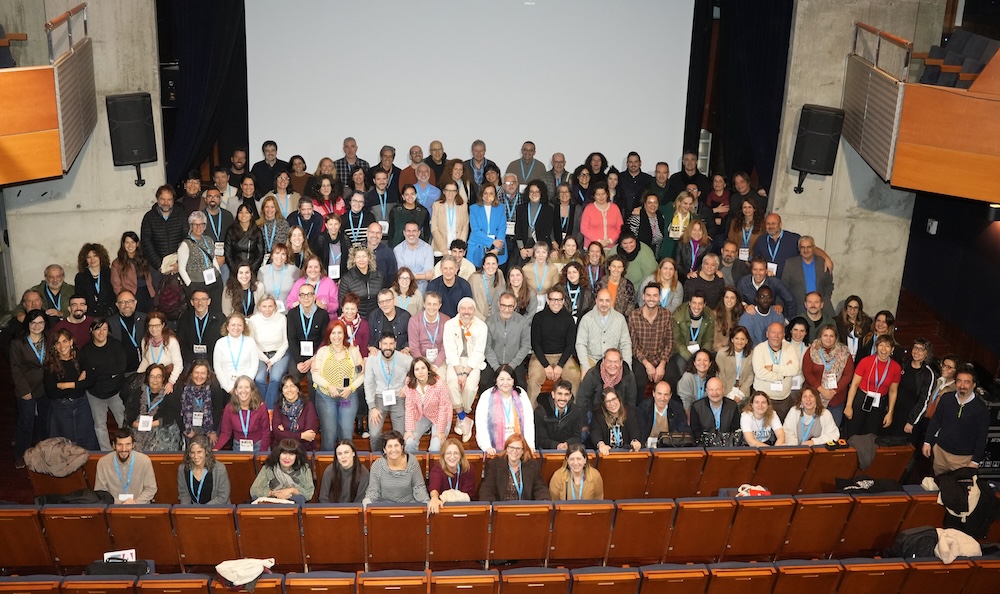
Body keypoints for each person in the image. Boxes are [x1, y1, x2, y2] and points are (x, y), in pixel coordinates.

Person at [922, 366, 990, 476]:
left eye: (967, 382)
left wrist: (975, 461)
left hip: (963, 459)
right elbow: (936, 421)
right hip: (940, 453)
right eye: (959, 381)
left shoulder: (981, 409)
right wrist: (927, 441)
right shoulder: (946, 398)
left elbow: (982, 437)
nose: (962, 386)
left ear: (974, 385)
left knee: (958, 490)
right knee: (937, 485)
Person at [311, 320, 366, 450]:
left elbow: (361, 375)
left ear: (344, 334)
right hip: (326, 396)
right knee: (329, 434)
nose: (336, 336)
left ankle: (345, 467)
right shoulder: (323, 351)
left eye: (339, 333)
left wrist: (350, 388)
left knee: (346, 434)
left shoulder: (353, 351)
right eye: (333, 333)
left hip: (348, 396)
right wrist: (329, 386)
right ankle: (328, 466)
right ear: (329, 335)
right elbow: (315, 376)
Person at [43, 328, 99, 449]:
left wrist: (64, 385)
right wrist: (78, 383)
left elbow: (91, 380)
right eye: (57, 342)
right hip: (60, 407)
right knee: (65, 444)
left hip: (81, 404)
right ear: (54, 346)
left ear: (71, 342)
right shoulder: (50, 363)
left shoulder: (80, 356)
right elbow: (51, 392)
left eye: (65, 341)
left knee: (87, 442)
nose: (62, 345)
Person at [443, 297, 488, 441]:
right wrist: (459, 372)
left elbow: (479, 352)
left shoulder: (481, 326)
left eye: (470, 309)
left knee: (469, 386)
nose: (466, 312)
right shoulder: (450, 325)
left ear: (474, 310)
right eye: (463, 308)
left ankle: (462, 415)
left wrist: (466, 373)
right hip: (455, 361)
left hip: (473, 363)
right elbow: (450, 350)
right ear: (458, 310)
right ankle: (463, 418)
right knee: (451, 382)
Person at [79, 318, 127, 451]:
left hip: (115, 392)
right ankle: (106, 453)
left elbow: (121, 367)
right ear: (91, 331)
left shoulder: (116, 345)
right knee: (99, 425)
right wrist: (109, 373)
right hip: (95, 394)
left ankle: (126, 449)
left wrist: (97, 370)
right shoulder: (86, 350)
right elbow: (89, 373)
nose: (101, 332)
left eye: (105, 329)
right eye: (98, 329)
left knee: (123, 422)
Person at [11, 310, 51, 468]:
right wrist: (24, 390)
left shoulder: (49, 340)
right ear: (27, 324)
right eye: (33, 323)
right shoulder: (18, 343)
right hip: (26, 389)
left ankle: (42, 453)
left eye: (40, 323)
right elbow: (15, 368)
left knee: (44, 422)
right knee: (26, 423)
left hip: (46, 388)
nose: (37, 326)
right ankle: (21, 455)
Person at [528, 287, 582, 402]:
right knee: (534, 379)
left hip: (563, 356)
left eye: (558, 300)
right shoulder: (538, 318)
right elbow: (535, 344)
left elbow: (570, 345)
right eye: (552, 299)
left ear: (563, 301)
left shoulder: (569, 319)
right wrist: (546, 365)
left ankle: (573, 412)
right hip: (541, 356)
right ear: (547, 301)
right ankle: (531, 415)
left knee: (575, 376)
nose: (555, 303)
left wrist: (560, 365)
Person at [844, 336, 902, 438]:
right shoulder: (865, 361)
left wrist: (890, 413)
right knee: (852, 433)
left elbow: (893, 391)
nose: (884, 349)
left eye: (887, 346)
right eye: (881, 345)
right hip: (860, 399)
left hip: (879, 403)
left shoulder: (896, 367)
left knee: (871, 435)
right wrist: (848, 406)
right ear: (876, 347)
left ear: (892, 349)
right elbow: (854, 385)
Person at [905, 353, 959, 462]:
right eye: (943, 365)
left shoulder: (955, 389)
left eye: (949, 367)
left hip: (938, 427)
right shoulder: (938, 381)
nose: (944, 368)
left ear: (956, 370)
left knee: (930, 458)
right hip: (925, 420)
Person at [364, 332, 413, 451]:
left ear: (395, 345)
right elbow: (368, 383)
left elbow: (415, 374)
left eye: (391, 344)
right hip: (378, 398)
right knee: (375, 434)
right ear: (380, 345)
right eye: (385, 344)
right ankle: (377, 461)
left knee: (399, 436)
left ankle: (398, 461)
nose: (388, 347)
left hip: (398, 398)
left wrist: (407, 387)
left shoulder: (405, 359)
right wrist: (372, 407)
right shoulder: (372, 359)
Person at [475, 364, 534, 454]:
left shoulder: (521, 394)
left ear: (513, 381)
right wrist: (486, 446)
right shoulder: (487, 396)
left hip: (518, 444)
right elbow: (481, 424)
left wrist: (530, 445)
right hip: (494, 449)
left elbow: (528, 422)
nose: (505, 383)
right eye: (502, 379)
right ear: (496, 380)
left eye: (509, 379)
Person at [752, 214, 833, 278]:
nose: (771, 226)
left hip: (788, 282)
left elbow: (810, 248)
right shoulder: (761, 240)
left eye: (773, 223)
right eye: (768, 224)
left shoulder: (794, 238)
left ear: (780, 224)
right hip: (768, 280)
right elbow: (756, 260)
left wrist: (826, 258)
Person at [123, 363, 181, 452]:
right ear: (148, 378)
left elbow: (172, 414)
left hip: (161, 428)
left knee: (156, 447)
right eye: (152, 376)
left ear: (163, 378)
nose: (155, 380)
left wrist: (153, 424)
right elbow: (131, 410)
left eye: (158, 376)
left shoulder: (169, 393)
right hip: (139, 426)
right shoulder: (139, 391)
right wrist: (134, 423)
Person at [629, 284, 674, 397]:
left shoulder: (666, 315)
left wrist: (662, 364)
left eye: (655, 296)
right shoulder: (634, 316)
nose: (651, 298)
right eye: (648, 295)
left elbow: (669, 342)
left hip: (660, 357)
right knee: (638, 383)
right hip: (641, 359)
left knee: (673, 379)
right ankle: (641, 411)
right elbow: (633, 345)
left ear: (659, 298)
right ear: (643, 296)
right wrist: (647, 364)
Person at [481, 290, 532, 392]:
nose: (506, 310)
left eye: (510, 306)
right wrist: (497, 367)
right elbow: (487, 347)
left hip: (515, 363)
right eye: (503, 306)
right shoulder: (489, 321)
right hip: (493, 363)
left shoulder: (522, 322)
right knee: (484, 384)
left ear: (515, 305)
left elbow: (526, 346)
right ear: (499, 305)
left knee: (522, 386)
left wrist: (512, 365)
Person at [751, 322, 802, 421]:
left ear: (783, 335)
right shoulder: (759, 349)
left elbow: (795, 369)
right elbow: (760, 373)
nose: (776, 336)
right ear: (767, 334)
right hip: (763, 399)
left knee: (782, 431)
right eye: (773, 332)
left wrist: (774, 368)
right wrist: (782, 375)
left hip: (784, 400)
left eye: (779, 333)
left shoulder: (790, 348)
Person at [363, 430, 430, 505]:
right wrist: (367, 502)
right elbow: (373, 491)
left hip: (408, 506)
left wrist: (426, 502)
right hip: (385, 506)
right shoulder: (377, 465)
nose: (393, 450)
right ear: (384, 450)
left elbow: (419, 487)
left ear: (402, 447)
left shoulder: (412, 462)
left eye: (396, 445)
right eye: (389, 446)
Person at [576, 289, 632, 375]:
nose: (604, 304)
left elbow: (626, 344)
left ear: (611, 302)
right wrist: (585, 366)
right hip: (592, 360)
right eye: (601, 300)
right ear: (596, 301)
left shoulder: (620, 319)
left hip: (613, 361)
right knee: (589, 380)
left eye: (607, 301)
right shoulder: (586, 319)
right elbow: (580, 344)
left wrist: (627, 367)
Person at [402, 356, 452, 454]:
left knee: (435, 446)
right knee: (409, 442)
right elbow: (409, 407)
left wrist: (440, 430)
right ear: (413, 372)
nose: (420, 372)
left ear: (428, 369)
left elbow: (443, 408)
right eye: (417, 369)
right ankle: (413, 467)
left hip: (440, 416)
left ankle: (434, 468)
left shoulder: (439, 383)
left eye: (423, 368)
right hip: (421, 415)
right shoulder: (409, 382)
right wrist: (409, 430)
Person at [140, 185, 188, 286]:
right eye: (162, 199)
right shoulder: (149, 217)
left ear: (173, 200)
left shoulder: (182, 214)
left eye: (169, 199)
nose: (166, 203)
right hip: (157, 267)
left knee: (181, 298)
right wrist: (160, 265)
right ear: (157, 199)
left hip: (179, 265)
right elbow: (146, 243)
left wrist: (179, 262)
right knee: (159, 298)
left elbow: (187, 238)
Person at [247, 295, 288, 410]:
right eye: (264, 306)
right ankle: (264, 408)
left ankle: (269, 410)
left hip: (279, 354)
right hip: (260, 354)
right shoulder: (253, 320)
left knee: (275, 378)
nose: (267, 309)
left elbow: (286, 342)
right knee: (259, 379)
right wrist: (265, 360)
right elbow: (252, 342)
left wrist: (273, 360)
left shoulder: (281, 318)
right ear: (259, 307)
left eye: (270, 306)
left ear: (275, 306)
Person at [479, 433, 549, 501]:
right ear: (506, 449)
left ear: (523, 451)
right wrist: (491, 506)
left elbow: (540, 487)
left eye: (518, 448)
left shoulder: (532, 465)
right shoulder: (495, 465)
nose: (514, 451)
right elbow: (487, 489)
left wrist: (544, 500)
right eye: (511, 447)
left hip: (525, 508)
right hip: (502, 508)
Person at [95, 429, 157, 503]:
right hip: (113, 508)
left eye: (128, 444)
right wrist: (119, 503)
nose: (124, 449)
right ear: (114, 446)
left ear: (133, 445)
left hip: (139, 507)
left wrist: (136, 502)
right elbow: (100, 491)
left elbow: (151, 488)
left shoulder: (144, 461)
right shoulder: (103, 462)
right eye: (120, 445)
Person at [285, 283, 329, 384]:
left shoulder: (323, 314)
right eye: (303, 295)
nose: (306, 298)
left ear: (314, 296)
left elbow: (324, 340)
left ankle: (313, 401)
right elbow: (291, 339)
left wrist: (313, 359)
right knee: (292, 378)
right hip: (298, 354)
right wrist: (299, 361)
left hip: (316, 354)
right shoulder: (292, 314)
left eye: (309, 294)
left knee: (313, 378)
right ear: (299, 298)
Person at [178, 212, 224, 308]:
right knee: (199, 311)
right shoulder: (185, 244)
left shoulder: (209, 240)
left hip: (214, 280)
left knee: (215, 309)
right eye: (195, 224)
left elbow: (213, 258)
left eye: (201, 224)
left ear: (205, 226)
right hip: (197, 284)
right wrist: (190, 285)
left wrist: (218, 273)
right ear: (191, 226)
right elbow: (181, 268)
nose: (198, 227)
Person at [179, 359, 228, 447]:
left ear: (208, 374)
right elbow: (177, 410)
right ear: (191, 373)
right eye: (196, 372)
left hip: (209, 429)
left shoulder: (214, 387)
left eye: (202, 373)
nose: (199, 376)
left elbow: (217, 410)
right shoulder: (182, 387)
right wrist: (185, 429)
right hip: (189, 428)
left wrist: (212, 431)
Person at [782, 235, 835, 316]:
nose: (805, 250)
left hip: (821, 310)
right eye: (802, 247)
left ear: (814, 248)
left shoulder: (823, 263)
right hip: (798, 310)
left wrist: (824, 299)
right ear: (799, 249)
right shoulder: (790, 264)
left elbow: (829, 285)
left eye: (808, 247)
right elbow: (784, 287)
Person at [215, 375, 271, 452]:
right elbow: (225, 433)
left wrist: (261, 454)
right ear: (236, 391)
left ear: (252, 391)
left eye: (247, 387)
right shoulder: (229, 408)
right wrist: (216, 448)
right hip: (239, 446)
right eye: (240, 387)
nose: (243, 390)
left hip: (259, 445)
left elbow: (266, 433)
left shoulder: (261, 407)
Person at [250, 438, 313, 504]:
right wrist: (274, 493)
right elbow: (254, 490)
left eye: (291, 454)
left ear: (297, 456)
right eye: (284, 453)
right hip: (271, 505)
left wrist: (292, 490)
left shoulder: (304, 468)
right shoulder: (268, 467)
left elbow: (309, 493)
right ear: (278, 454)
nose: (287, 458)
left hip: (294, 507)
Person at [670, 292, 715, 379]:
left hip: (700, 349)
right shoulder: (678, 316)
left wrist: (701, 356)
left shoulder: (709, 316)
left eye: (700, 304)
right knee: (684, 368)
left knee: (709, 366)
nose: (697, 307)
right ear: (689, 303)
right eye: (694, 303)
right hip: (682, 351)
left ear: (704, 304)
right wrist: (691, 358)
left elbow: (708, 340)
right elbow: (676, 341)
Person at [177, 434, 231, 504]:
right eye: (192, 453)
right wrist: (188, 511)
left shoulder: (219, 469)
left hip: (217, 510)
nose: (196, 457)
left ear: (206, 451)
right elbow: (184, 495)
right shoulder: (182, 469)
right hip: (193, 510)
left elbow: (223, 497)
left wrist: (202, 510)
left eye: (199, 452)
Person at [427, 438, 477, 513]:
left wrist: (446, 496)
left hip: (463, 509)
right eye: (448, 453)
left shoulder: (468, 469)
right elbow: (434, 486)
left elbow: (467, 496)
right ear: (443, 455)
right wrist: (434, 498)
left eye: (456, 453)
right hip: (443, 508)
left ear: (461, 455)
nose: (452, 457)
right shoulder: (437, 469)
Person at [213, 313, 259, 393]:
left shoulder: (250, 342)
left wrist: (244, 386)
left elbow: (254, 365)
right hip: (225, 387)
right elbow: (218, 367)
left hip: (246, 388)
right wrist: (228, 388)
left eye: (239, 325)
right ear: (227, 327)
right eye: (233, 325)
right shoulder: (220, 343)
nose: (236, 328)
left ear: (244, 327)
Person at [271, 375, 319, 451]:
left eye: (292, 386)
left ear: (298, 389)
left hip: (304, 449)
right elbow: (277, 434)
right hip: (282, 449)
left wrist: (285, 433)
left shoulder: (308, 406)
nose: (289, 390)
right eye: (285, 387)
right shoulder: (278, 407)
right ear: (282, 391)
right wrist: (301, 435)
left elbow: (310, 435)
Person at [534, 379, 584, 451]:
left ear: (570, 396)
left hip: (569, 449)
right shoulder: (540, 411)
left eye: (566, 394)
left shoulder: (577, 412)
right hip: (546, 449)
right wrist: (556, 445)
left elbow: (577, 436)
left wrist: (567, 444)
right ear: (553, 395)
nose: (563, 398)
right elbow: (540, 438)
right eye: (559, 394)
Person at [112, 232, 156, 313]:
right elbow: (116, 285)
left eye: (133, 242)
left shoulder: (144, 259)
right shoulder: (117, 263)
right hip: (130, 297)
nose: (130, 245)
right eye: (127, 242)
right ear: (123, 244)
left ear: (137, 244)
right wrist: (123, 299)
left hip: (147, 295)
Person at [636, 381, 690, 447]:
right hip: (646, 448)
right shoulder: (643, 408)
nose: (662, 398)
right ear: (653, 393)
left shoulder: (677, 408)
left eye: (666, 394)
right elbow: (639, 434)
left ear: (670, 395)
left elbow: (684, 430)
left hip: (670, 448)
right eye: (659, 394)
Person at [591, 387, 642, 455]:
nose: (612, 403)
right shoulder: (598, 415)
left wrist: (635, 441)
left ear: (619, 399)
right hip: (608, 454)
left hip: (626, 453)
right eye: (608, 401)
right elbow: (595, 433)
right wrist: (601, 445)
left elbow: (635, 429)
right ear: (604, 404)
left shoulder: (630, 412)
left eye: (614, 399)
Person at [468, 184, 509, 268]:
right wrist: (492, 241)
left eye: (491, 193)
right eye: (485, 193)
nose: (488, 196)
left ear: (495, 195)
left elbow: (502, 228)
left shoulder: (501, 208)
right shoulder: (473, 208)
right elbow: (475, 230)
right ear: (481, 194)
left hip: (497, 247)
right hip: (477, 246)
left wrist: (497, 249)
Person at [689, 377, 741, 444]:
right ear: (706, 391)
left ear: (723, 390)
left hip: (727, 446)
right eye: (711, 390)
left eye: (718, 389)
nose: (715, 393)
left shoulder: (732, 406)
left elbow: (735, 430)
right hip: (704, 446)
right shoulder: (696, 407)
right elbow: (695, 431)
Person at [407, 291, 449, 371]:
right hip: (419, 360)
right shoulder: (414, 320)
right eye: (429, 304)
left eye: (435, 304)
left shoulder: (446, 321)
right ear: (424, 304)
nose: (431, 307)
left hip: (440, 362)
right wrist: (424, 365)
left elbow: (445, 347)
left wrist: (435, 366)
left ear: (440, 306)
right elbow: (414, 347)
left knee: (439, 379)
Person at [318, 439, 370, 503]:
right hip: (331, 510)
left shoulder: (363, 472)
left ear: (353, 453)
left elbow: (360, 500)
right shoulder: (329, 471)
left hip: (354, 511)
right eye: (339, 454)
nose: (343, 456)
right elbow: (323, 498)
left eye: (346, 452)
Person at [109, 290, 148, 374]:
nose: (126, 305)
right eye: (122, 302)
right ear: (117, 305)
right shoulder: (110, 323)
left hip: (145, 369)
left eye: (130, 301)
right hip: (122, 372)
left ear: (135, 303)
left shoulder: (145, 319)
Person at [75, 243, 116, 318]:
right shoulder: (80, 277)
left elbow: (114, 294)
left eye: (95, 256)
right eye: (88, 257)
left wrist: (110, 311)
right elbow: (80, 297)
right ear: (85, 260)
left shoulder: (110, 273)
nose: (92, 259)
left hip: (109, 314)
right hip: (89, 315)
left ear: (101, 257)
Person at [393, 221, 434, 292]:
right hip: (404, 290)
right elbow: (402, 274)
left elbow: (429, 274)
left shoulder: (428, 248)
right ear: (404, 233)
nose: (411, 234)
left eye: (414, 231)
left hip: (423, 290)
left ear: (419, 233)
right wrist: (423, 276)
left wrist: (408, 276)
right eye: (408, 231)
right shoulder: (397, 250)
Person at [716, 326, 754, 403]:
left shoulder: (751, 354)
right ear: (732, 340)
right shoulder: (722, 354)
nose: (739, 342)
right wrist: (730, 394)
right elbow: (720, 375)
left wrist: (740, 393)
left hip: (743, 393)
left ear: (746, 341)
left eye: (742, 339)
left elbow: (751, 375)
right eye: (737, 338)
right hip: (725, 392)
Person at [431, 181, 470, 256]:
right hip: (440, 249)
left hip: (458, 251)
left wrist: (459, 248)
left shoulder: (463, 206)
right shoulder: (437, 205)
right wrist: (443, 249)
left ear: (457, 192)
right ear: (444, 191)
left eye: (453, 191)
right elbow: (434, 228)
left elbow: (465, 227)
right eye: (448, 190)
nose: (450, 193)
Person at [581, 182, 624, 249]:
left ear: (607, 194)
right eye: (598, 194)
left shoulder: (615, 208)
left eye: (603, 194)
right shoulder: (588, 208)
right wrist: (598, 241)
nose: (601, 197)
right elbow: (584, 229)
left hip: (611, 247)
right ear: (594, 196)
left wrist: (610, 240)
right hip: (592, 248)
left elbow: (620, 228)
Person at [224, 204, 264, 274]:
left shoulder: (257, 231)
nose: (243, 215)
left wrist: (251, 270)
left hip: (252, 269)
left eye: (247, 212)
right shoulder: (231, 231)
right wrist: (235, 269)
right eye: (241, 212)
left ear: (251, 214)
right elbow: (228, 253)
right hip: (235, 269)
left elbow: (260, 254)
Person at [259, 244, 301, 311]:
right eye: (277, 253)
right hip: (268, 312)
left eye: (283, 254)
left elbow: (300, 289)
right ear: (272, 256)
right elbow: (259, 294)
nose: (280, 257)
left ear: (286, 257)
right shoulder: (262, 270)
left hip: (289, 312)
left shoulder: (294, 270)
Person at [628, 191, 666, 257]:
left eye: (655, 203)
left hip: (656, 257)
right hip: (639, 255)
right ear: (645, 204)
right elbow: (630, 239)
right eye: (649, 203)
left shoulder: (661, 217)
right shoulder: (637, 218)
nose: (653, 205)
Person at [315, 213, 350, 281]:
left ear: (339, 224)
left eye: (336, 224)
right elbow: (317, 259)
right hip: (324, 276)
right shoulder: (320, 239)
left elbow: (349, 259)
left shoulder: (345, 238)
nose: (333, 227)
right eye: (330, 224)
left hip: (342, 277)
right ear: (326, 225)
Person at [470, 253, 506, 320]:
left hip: (496, 318)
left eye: (493, 263)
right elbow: (469, 301)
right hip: (478, 318)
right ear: (483, 266)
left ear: (497, 265)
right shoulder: (474, 278)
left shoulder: (500, 274)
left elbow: (504, 295)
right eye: (488, 263)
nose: (491, 266)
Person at [550, 185, 584, 252]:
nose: (564, 194)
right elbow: (548, 227)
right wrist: (553, 241)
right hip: (554, 247)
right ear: (558, 195)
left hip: (572, 247)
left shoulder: (577, 208)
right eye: (561, 192)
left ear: (570, 194)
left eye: (566, 192)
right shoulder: (552, 207)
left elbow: (582, 229)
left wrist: (574, 244)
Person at [713, 286, 743, 352]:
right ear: (723, 299)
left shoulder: (740, 313)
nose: (729, 300)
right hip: (719, 351)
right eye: (726, 297)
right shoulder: (715, 315)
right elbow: (714, 340)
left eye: (732, 298)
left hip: (735, 349)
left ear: (736, 300)